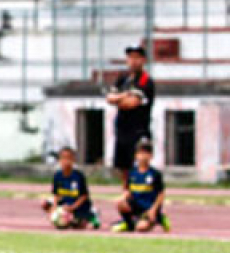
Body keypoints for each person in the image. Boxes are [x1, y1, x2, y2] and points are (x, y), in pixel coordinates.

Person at [107, 44, 155, 185]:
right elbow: (110, 98)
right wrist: (125, 94)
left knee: (139, 164)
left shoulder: (145, 81)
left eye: (137, 57)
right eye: (130, 57)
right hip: (122, 128)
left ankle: (142, 193)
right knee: (124, 167)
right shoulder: (123, 79)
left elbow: (131, 103)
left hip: (138, 130)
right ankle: (126, 193)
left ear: (143, 60)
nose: (133, 61)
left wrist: (119, 99)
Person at [112, 139, 170, 233]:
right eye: (141, 153)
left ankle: (159, 218)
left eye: (146, 153)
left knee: (141, 228)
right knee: (120, 203)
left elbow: (161, 194)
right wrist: (123, 197)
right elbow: (128, 190)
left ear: (151, 156)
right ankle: (129, 224)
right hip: (136, 206)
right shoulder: (132, 173)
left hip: (149, 207)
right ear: (136, 155)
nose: (143, 156)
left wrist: (153, 209)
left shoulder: (155, 174)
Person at [40, 146, 98, 229]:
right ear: (59, 160)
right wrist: (54, 208)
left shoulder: (78, 176)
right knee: (44, 203)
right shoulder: (57, 176)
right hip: (64, 204)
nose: (66, 161)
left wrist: (72, 207)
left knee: (80, 226)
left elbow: (84, 196)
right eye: (63, 158)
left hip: (77, 205)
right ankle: (62, 219)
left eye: (69, 158)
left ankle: (91, 215)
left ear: (73, 160)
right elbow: (56, 195)